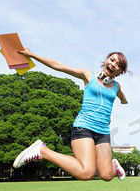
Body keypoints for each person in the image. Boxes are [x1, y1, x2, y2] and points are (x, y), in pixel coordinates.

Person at [12, 48, 129, 181]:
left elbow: (121, 95)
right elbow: (59, 66)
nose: (113, 64)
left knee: (107, 175)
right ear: (106, 61)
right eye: (112, 60)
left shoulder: (116, 86)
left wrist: (124, 100)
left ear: (120, 71)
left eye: (118, 65)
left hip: (103, 133)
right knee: (87, 173)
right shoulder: (88, 75)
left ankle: (113, 164)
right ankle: (42, 151)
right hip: (84, 128)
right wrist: (32, 55)